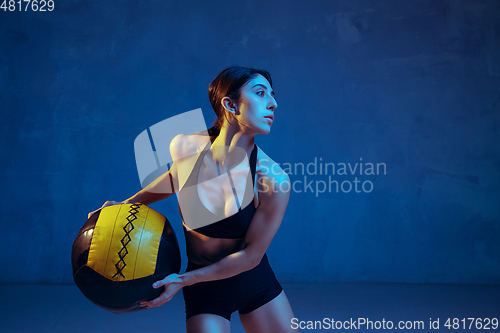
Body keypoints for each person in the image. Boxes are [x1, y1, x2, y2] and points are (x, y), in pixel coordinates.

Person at [89, 66, 297, 333]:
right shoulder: (186, 147)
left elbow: (250, 257)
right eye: (260, 93)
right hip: (205, 292)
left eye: (273, 95)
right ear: (230, 104)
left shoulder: (272, 181)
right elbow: (176, 179)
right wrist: (127, 204)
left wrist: (184, 280)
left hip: (254, 283)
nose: (273, 103)